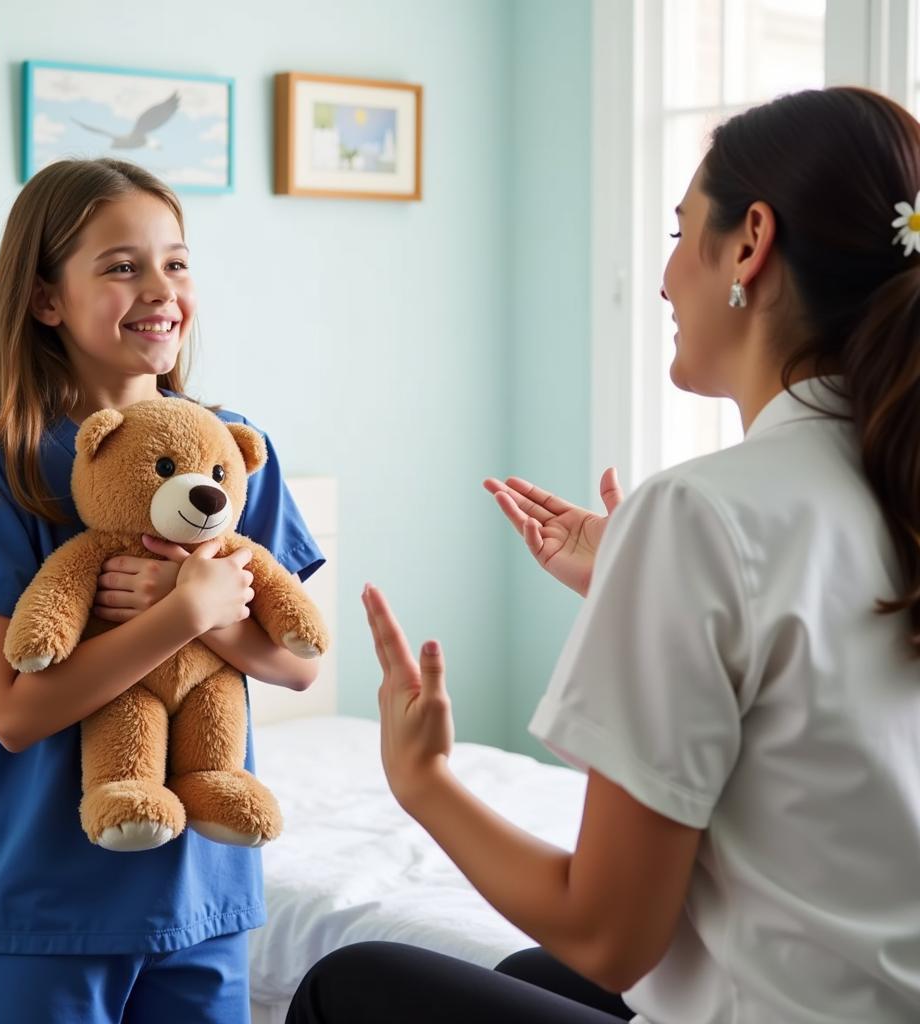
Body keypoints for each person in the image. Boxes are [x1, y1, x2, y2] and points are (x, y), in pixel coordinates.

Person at [286, 85, 920, 1023]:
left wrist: (423, 781)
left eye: (676, 231)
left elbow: (610, 933)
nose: (664, 277)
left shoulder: (703, 514)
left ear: (750, 243)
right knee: (533, 981)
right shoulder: (885, 485)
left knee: (349, 986)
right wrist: (637, 589)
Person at [0, 158, 325, 1024]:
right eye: (122, 266)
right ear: (46, 297)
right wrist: (183, 613)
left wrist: (199, 604)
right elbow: (15, 713)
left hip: (200, 893)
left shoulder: (235, 452)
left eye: (176, 261)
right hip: (46, 897)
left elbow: (297, 666)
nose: (160, 287)